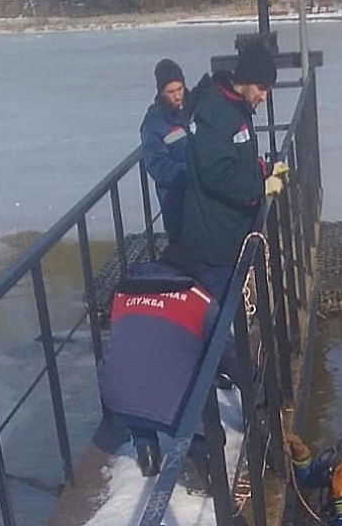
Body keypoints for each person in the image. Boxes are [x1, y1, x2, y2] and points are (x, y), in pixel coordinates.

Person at [97, 259, 228, 483]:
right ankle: (198, 456)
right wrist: (255, 382)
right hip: (172, 399)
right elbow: (226, 352)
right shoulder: (200, 298)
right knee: (198, 398)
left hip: (119, 396)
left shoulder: (123, 294)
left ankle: (146, 449)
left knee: (137, 369)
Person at [178, 39, 285, 301]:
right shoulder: (215, 112)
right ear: (246, 80)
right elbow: (217, 175)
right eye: (261, 88)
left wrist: (263, 169)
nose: (264, 96)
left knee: (233, 307)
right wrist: (261, 186)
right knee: (224, 315)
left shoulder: (237, 108)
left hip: (231, 235)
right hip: (215, 244)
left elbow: (235, 160)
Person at [140, 58, 191, 249]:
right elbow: (157, 166)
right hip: (176, 203)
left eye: (180, 89)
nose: (178, 96)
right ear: (161, 93)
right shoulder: (153, 124)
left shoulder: (194, 110)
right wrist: (192, 173)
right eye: (171, 92)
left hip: (203, 200)